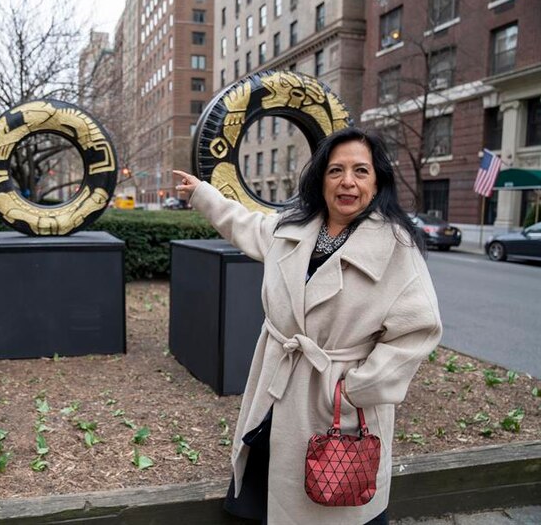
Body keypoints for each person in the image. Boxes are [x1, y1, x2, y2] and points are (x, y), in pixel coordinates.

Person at [173, 127, 442, 525]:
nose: (347, 181)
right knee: (265, 488)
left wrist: (354, 390)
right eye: (336, 170)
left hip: (335, 401)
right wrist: (202, 194)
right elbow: (243, 224)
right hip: (276, 391)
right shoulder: (294, 227)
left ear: (378, 181)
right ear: (321, 178)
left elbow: (418, 331)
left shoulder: (395, 248)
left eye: (360, 171)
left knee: (330, 501)